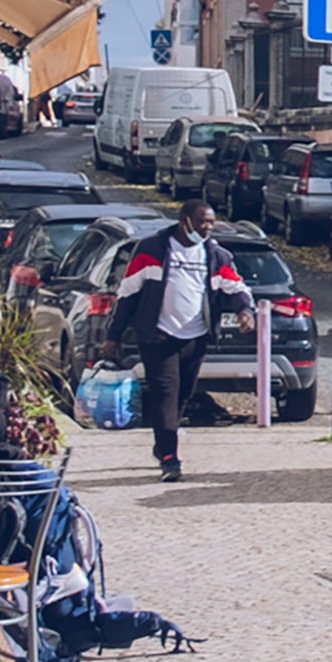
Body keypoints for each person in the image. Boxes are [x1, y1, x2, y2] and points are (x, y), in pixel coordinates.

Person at [104, 200, 252, 483]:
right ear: (184, 221)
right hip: (158, 336)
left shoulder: (215, 255)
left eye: (210, 222)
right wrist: (114, 335)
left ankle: (162, 444)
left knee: (184, 394)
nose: (207, 227)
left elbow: (235, 288)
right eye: (202, 222)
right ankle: (170, 458)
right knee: (165, 394)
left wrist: (245, 311)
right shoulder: (152, 250)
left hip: (195, 337)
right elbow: (128, 294)